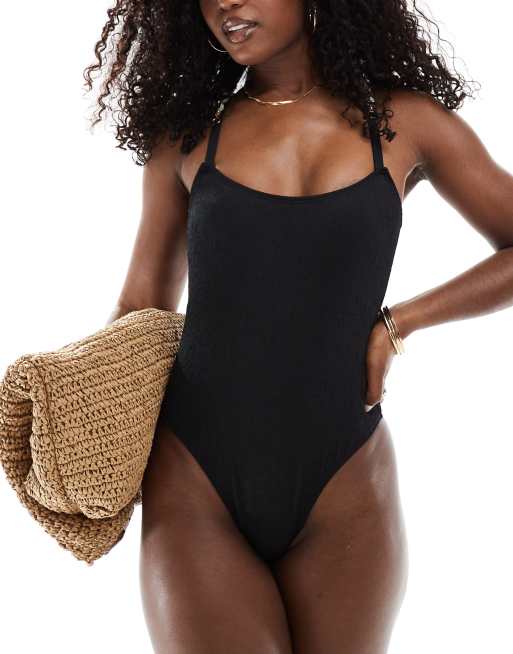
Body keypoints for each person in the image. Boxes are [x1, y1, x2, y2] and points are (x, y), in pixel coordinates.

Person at [87, 1, 513, 652]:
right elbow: (140, 307)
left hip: (344, 484)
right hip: (195, 482)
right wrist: (73, 395)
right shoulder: (188, 133)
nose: (225, 4)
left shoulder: (404, 123)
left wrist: (399, 324)